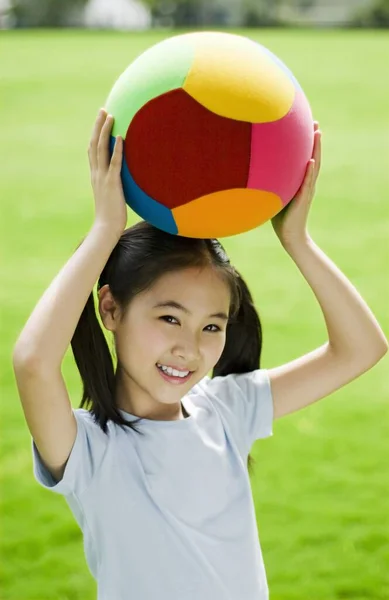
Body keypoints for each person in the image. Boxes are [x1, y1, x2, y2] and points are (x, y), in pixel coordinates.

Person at [12, 109, 388, 600]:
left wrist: (297, 239)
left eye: (212, 326)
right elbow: (34, 363)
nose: (189, 348)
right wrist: (107, 228)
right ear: (111, 307)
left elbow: (362, 348)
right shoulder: (90, 450)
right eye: (169, 317)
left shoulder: (228, 410)